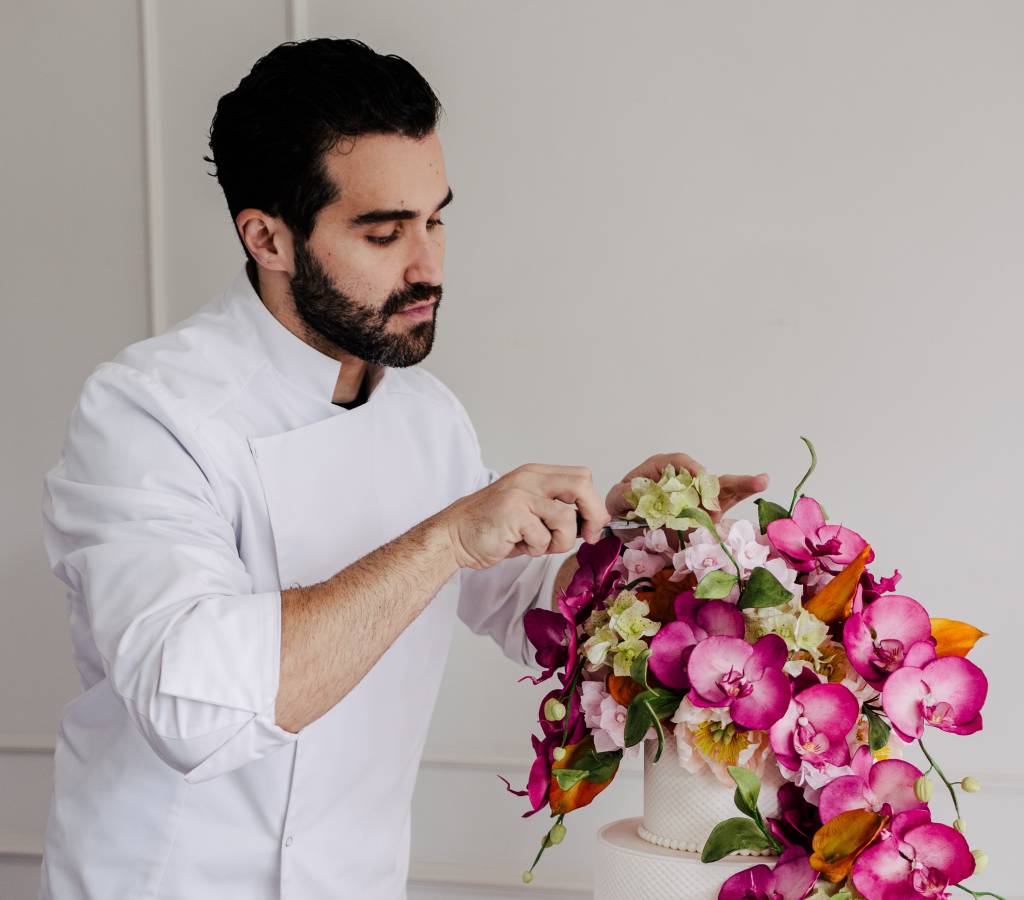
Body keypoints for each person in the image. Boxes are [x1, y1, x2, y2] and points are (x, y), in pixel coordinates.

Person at [38, 38, 769, 899]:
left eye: (436, 219)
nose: (429, 267)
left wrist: (623, 538)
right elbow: (193, 715)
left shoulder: (427, 414)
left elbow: (519, 602)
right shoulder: (145, 411)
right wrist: (446, 536)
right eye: (384, 232)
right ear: (268, 237)